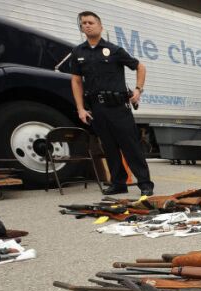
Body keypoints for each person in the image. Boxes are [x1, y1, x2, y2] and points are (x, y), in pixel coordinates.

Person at [69, 11, 154, 196]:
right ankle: (118, 183)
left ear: (100, 26)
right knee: (109, 147)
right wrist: (80, 108)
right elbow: (76, 81)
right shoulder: (78, 52)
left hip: (117, 107)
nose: (87, 25)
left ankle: (145, 183)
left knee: (130, 146)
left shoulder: (114, 50)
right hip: (97, 108)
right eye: (84, 23)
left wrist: (138, 90)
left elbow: (140, 66)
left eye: (91, 22)